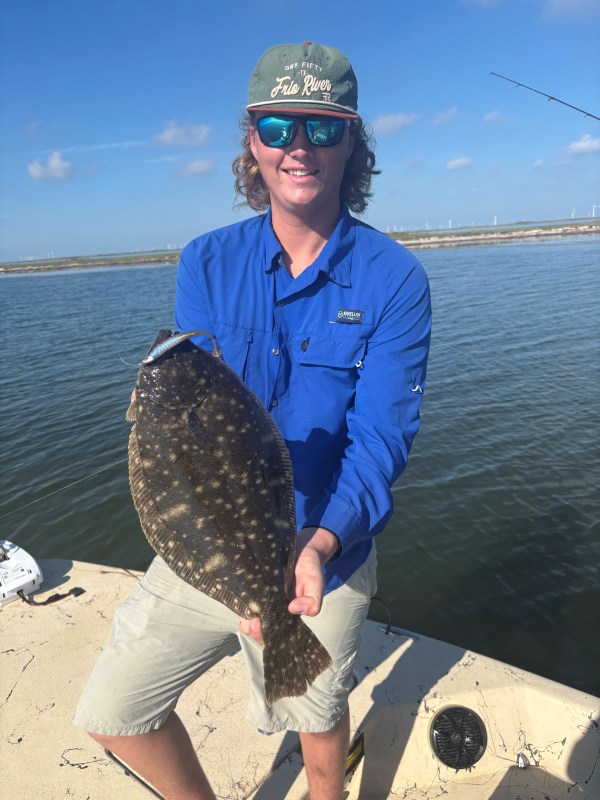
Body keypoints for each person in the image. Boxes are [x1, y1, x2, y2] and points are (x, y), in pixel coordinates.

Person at [74, 41, 431, 800]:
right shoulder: (206, 261)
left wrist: (323, 538)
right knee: (114, 711)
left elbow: (381, 438)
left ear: (352, 143)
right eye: (278, 128)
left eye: (323, 129)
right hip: (214, 535)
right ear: (252, 142)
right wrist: (152, 416)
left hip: (321, 549)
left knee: (313, 706)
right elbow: (196, 411)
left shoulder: (395, 279)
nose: (299, 147)